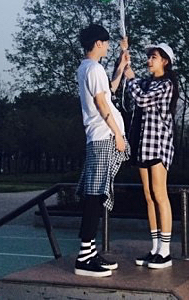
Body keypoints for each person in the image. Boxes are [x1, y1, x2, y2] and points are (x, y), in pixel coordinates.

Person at [75, 24, 130, 277]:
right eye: (106, 43)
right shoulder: (94, 69)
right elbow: (100, 103)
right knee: (95, 195)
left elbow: (109, 93)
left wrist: (120, 66)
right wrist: (117, 134)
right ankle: (84, 257)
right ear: (98, 43)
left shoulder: (87, 68)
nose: (108, 46)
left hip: (98, 137)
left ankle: (89, 252)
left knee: (96, 194)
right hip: (102, 137)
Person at [124, 42, 179, 269]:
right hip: (142, 145)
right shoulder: (146, 83)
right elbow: (134, 91)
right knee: (148, 196)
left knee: (160, 194)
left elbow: (142, 99)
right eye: (149, 57)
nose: (149, 60)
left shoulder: (167, 84)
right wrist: (126, 64)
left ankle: (166, 251)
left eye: (153, 57)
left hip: (158, 145)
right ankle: (155, 248)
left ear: (165, 61)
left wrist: (131, 79)